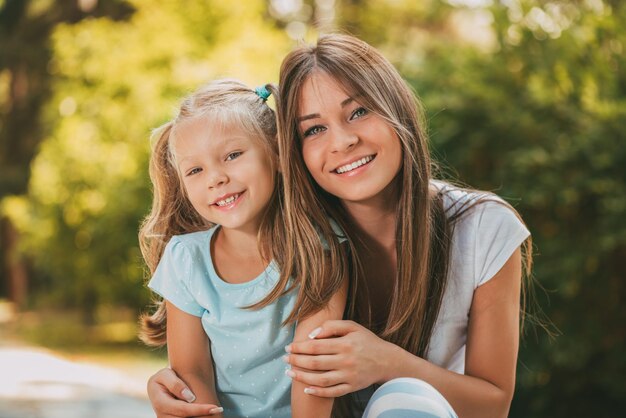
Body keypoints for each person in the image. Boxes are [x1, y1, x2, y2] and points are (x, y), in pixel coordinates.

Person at [145, 34, 533, 418]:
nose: (343, 141)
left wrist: (388, 363)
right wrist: (177, 388)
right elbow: (210, 362)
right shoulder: (303, 239)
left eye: (359, 111)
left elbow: (493, 405)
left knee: (406, 396)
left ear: (396, 109)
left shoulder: (482, 228)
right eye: (314, 129)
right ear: (291, 150)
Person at [138, 79, 348, 418]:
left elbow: (314, 371)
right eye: (195, 170)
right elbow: (193, 375)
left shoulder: (319, 248)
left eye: (232, 155)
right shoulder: (186, 260)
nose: (215, 178)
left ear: (278, 154)